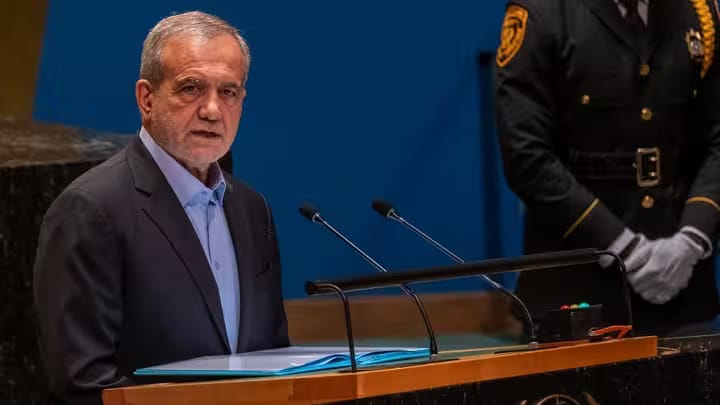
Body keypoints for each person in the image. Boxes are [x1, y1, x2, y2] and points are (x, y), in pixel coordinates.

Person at [33, 11, 289, 404]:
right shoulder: (91, 210)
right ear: (147, 99)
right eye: (191, 88)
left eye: (228, 92)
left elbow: (272, 355)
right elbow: (83, 384)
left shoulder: (252, 208)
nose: (212, 110)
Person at [495, 0, 720, 335]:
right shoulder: (542, 12)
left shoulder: (698, 11)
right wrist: (622, 248)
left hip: (682, 288)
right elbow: (526, 157)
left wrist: (692, 239)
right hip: (576, 294)